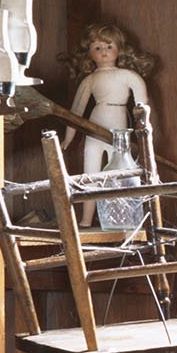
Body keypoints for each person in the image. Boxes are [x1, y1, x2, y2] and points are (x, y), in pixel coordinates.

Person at [61, 23, 155, 224]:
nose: (103, 52)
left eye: (109, 46)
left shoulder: (128, 76)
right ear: (89, 54)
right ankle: (86, 218)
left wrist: (145, 132)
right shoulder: (90, 80)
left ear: (119, 49)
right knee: (90, 173)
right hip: (93, 128)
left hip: (119, 129)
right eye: (97, 48)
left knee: (121, 174)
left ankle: (125, 220)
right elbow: (76, 112)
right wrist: (68, 139)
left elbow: (142, 107)